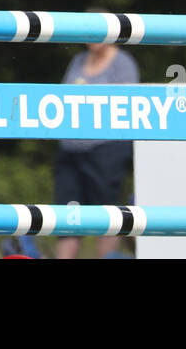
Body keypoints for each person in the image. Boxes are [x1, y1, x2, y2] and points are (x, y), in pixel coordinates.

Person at [53, 41, 139, 259]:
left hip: (106, 150)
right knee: (67, 220)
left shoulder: (123, 63)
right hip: (71, 151)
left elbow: (125, 106)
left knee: (107, 217)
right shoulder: (78, 60)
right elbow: (63, 97)